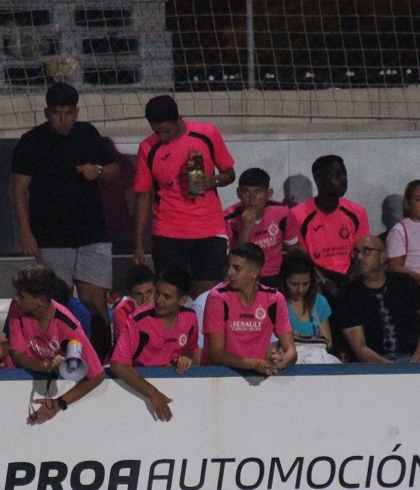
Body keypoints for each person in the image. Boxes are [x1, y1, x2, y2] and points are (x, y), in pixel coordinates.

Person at [10, 82, 119, 360]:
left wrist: (97, 171)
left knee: (95, 303)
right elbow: (19, 189)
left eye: (68, 113)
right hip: (51, 236)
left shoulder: (88, 134)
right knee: (57, 303)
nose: (63, 119)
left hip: (92, 233)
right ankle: (63, 358)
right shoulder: (32, 141)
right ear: (47, 113)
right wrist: (25, 232)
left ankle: (100, 360)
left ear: (76, 112)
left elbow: (114, 170)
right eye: (57, 113)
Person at [133, 94, 236, 298]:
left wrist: (212, 181)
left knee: (205, 299)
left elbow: (229, 174)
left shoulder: (206, 134)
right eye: (156, 132)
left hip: (208, 229)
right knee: (170, 298)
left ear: (179, 119)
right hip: (168, 232)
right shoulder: (148, 147)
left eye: (166, 131)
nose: (162, 137)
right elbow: (143, 196)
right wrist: (138, 244)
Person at [6, 266, 104, 425]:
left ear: (41, 300)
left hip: (48, 391)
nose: (16, 298)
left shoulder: (70, 327)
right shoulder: (17, 308)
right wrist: (46, 366)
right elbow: (17, 356)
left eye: (22, 296)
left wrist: (59, 404)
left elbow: (97, 376)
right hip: (14, 384)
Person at [110, 268, 200, 422]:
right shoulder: (138, 320)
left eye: (167, 297)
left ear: (183, 300)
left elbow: (191, 349)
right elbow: (118, 364)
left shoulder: (190, 318)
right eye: (158, 293)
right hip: (138, 391)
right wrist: (154, 394)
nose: (158, 300)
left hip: (176, 388)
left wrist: (186, 356)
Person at [333, 236, 420, 363]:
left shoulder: (404, 282)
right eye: (356, 252)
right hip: (374, 365)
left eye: (366, 251)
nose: (359, 257)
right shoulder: (348, 295)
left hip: (412, 359)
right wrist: (391, 367)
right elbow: (360, 348)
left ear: (383, 256)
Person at [204, 243, 296, 373]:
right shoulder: (217, 297)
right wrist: (256, 364)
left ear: (254, 272)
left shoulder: (274, 299)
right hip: (221, 375)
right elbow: (217, 354)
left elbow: (291, 351)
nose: (229, 273)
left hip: (258, 374)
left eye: (237, 268)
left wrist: (278, 362)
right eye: (229, 266)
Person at [286, 155, 370, 292]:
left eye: (344, 175)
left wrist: (349, 278)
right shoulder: (297, 215)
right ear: (319, 180)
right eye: (337, 175)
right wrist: (327, 278)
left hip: (352, 278)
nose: (343, 180)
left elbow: (363, 252)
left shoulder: (357, 212)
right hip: (317, 281)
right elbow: (301, 260)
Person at [223, 168, 296, 288]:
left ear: (269, 194)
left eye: (258, 192)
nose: (252, 199)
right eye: (246, 192)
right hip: (244, 276)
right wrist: (246, 227)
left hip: (276, 276)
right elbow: (234, 261)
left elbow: (294, 249)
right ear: (238, 193)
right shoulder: (228, 219)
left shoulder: (282, 212)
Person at [278, 250, 339, 364]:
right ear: (284, 280)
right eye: (294, 284)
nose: (300, 290)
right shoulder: (275, 303)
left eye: (305, 284)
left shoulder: (320, 302)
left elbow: (328, 343)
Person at [112, 264, 156, 346]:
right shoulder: (122, 310)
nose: (145, 299)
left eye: (149, 292)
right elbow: (127, 348)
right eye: (139, 294)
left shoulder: (162, 306)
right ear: (130, 295)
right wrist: (140, 316)